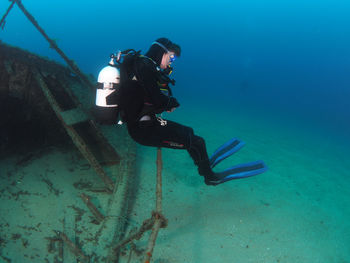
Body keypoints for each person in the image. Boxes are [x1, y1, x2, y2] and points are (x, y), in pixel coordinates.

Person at [119, 38, 267, 185]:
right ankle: (209, 177)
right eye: (171, 57)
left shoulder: (143, 66)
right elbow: (157, 100)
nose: (171, 61)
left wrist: (166, 103)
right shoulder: (145, 67)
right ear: (161, 52)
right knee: (197, 142)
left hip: (145, 123)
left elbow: (146, 98)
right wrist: (170, 103)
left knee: (190, 131)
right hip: (143, 131)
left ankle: (203, 165)